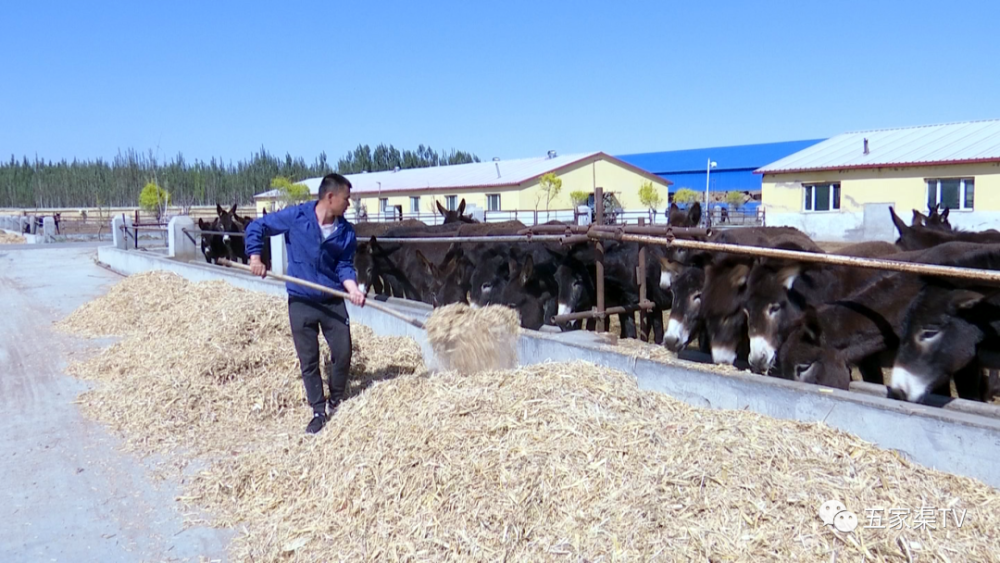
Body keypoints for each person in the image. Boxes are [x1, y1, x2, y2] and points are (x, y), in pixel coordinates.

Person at [244, 173, 366, 434]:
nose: (349, 204)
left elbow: (344, 265)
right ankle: (318, 411)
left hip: (332, 299)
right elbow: (257, 227)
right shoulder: (297, 217)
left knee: (343, 352)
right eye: (347, 198)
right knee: (309, 359)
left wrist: (352, 288)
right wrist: (255, 257)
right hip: (301, 299)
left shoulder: (346, 232)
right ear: (330, 197)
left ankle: (336, 400)